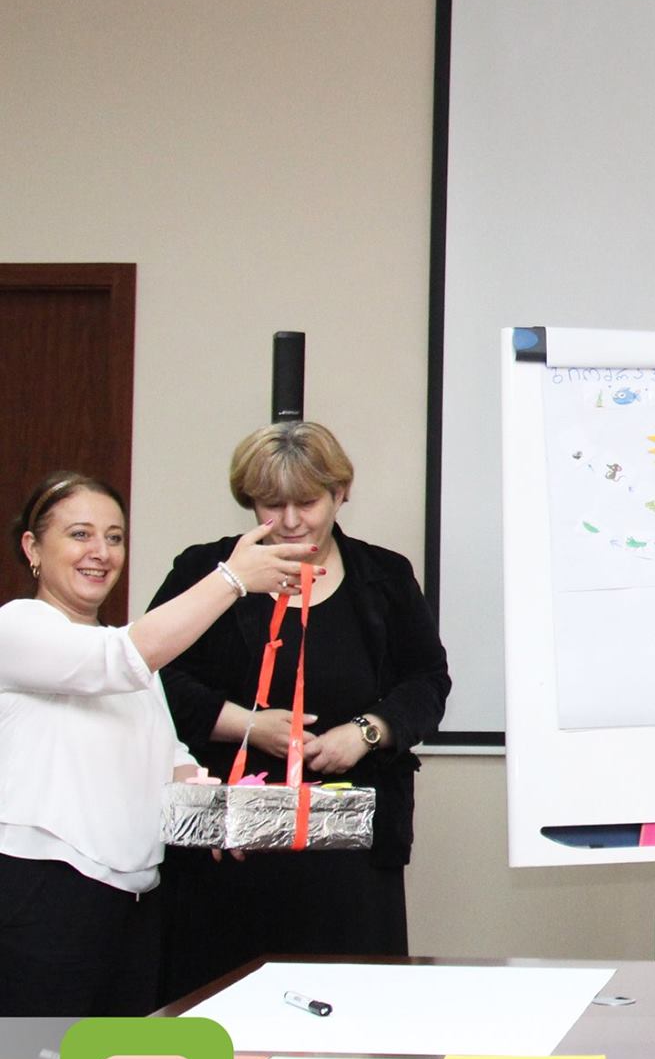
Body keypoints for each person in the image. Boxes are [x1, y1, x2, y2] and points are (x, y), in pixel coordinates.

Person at [152, 423, 450, 1001]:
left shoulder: (384, 576)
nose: (290, 522)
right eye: (271, 504)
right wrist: (246, 725)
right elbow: (155, 676)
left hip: (350, 858)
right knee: (219, 1013)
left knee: (352, 1014)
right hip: (227, 853)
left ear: (340, 493)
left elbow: (428, 682)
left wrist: (366, 733)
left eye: (307, 503)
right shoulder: (205, 571)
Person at [0, 471, 316, 1014]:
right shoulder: (18, 626)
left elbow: (171, 761)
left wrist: (222, 809)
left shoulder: (128, 653)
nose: (101, 553)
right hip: (43, 892)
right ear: (33, 547)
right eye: (80, 535)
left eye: (114, 537)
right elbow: (119, 660)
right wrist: (232, 579)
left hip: (134, 901)